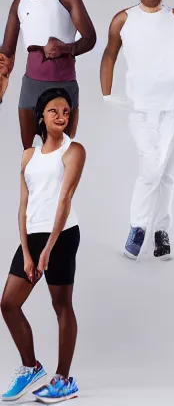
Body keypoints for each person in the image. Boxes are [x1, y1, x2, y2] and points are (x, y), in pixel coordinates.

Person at [99, 0, 174, 261]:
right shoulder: (124, 19)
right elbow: (109, 53)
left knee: (167, 172)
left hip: (172, 107)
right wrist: (106, 94)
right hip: (141, 110)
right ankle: (138, 226)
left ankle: (161, 232)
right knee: (152, 166)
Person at [1, 88, 85, 403]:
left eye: (66, 111)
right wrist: (26, 251)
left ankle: (64, 379)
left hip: (62, 234)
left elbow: (64, 199)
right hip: (33, 235)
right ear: (41, 115)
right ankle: (31, 366)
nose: (61, 116)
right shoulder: (29, 155)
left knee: (61, 305)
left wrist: (49, 248)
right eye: (54, 111)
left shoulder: (74, 150)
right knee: (8, 304)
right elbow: (23, 206)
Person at [0, 0, 97, 150]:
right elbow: (6, 52)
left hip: (63, 86)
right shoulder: (19, 2)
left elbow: (90, 38)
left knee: (61, 159)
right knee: (30, 158)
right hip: (31, 87)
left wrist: (65, 49)